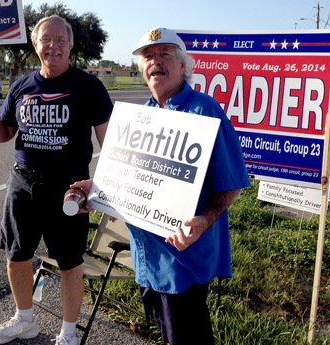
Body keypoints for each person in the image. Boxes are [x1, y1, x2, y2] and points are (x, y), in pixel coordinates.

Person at [73, 27, 250, 344]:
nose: (156, 62)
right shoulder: (140, 117)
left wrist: (205, 219)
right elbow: (128, 181)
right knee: (167, 332)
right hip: (147, 259)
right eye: (148, 57)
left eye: (165, 54)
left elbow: (231, 183)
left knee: (187, 335)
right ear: (142, 68)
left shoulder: (205, 111)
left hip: (184, 260)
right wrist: (96, 190)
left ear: (183, 65)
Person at [0, 14, 113, 345]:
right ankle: (24, 320)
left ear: (71, 45)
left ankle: (70, 332)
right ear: (36, 44)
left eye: (61, 40)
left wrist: (102, 190)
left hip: (68, 188)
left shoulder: (89, 87)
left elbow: (111, 145)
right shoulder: (21, 86)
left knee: (69, 260)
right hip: (22, 184)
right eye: (47, 39)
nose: (54, 46)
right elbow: (5, 133)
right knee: (16, 254)